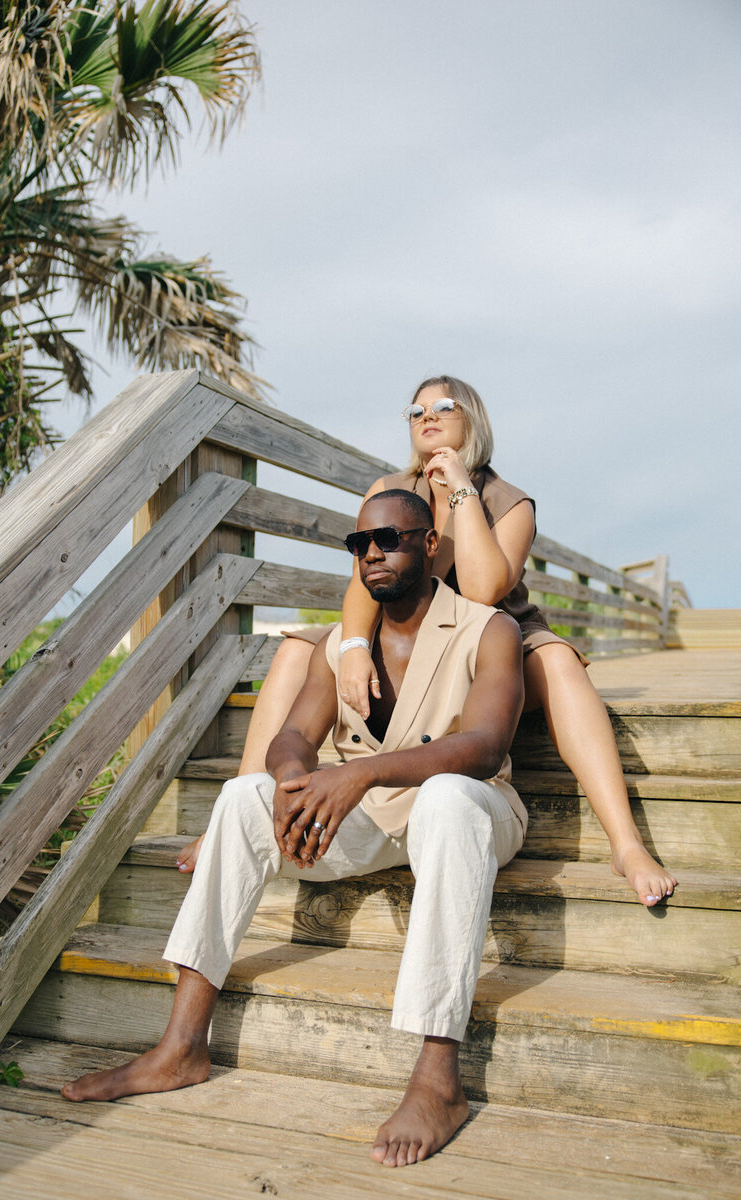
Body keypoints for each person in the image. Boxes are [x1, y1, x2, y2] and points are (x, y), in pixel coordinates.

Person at [63, 489, 528, 1169]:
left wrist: (360, 774)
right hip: (369, 817)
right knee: (245, 793)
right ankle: (183, 1044)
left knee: (449, 802)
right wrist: (291, 782)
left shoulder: (489, 629)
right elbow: (292, 736)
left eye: (392, 538)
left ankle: (438, 1078)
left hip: (469, 810)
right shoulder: (344, 643)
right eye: (360, 543)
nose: (373, 552)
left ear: (431, 545)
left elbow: (485, 746)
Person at [177, 375, 676, 908]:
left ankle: (626, 843)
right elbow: (361, 583)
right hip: (402, 630)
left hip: (489, 634)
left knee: (558, 660)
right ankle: (241, 814)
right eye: (415, 411)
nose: (427, 417)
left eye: (443, 407)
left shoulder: (510, 502)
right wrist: (350, 649)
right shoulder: (390, 489)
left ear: (473, 420)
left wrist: (460, 487)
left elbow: (485, 590)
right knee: (298, 649)